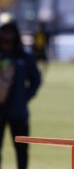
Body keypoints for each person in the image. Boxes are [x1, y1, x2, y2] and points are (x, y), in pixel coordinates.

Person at [0, 13, 41, 169]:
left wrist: (24, 97)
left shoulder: (25, 56)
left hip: (18, 112)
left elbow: (35, 79)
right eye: (4, 30)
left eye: (11, 30)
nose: (7, 34)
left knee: (22, 152)